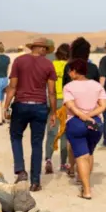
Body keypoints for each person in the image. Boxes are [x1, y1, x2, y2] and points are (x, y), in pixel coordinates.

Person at [3, 38, 57, 192]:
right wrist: (53, 112)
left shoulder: (19, 61)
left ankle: (20, 171)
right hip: (40, 107)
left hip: (20, 105)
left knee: (15, 136)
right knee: (37, 143)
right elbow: (51, 92)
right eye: (46, 49)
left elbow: (12, 87)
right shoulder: (48, 64)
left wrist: (6, 106)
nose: (46, 52)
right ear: (40, 48)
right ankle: (35, 182)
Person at [63, 59, 106, 199]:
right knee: (89, 153)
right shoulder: (96, 85)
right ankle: (83, 180)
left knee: (81, 157)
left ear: (74, 72)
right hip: (95, 123)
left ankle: (86, 190)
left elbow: (71, 106)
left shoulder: (69, 86)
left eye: (70, 71)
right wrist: (90, 115)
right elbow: (103, 105)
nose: (69, 73)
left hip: (76, 123)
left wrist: (83, 116)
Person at [63, 37, 100, 178]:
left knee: (72, 142)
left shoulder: (69, 68)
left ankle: (72, 168)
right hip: (92, 112)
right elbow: (98, 89)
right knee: (89, 149)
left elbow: (65, 89)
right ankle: (83, 177)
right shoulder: (94, 68)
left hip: (74, 111)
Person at [44, 43, 70, 173]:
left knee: (51, 130)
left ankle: (48, 159)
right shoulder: (69, 67)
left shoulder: (51, 65)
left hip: (51, 100)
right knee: (64, 132)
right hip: (65, 102)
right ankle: (63, 163)